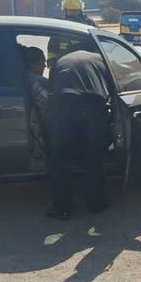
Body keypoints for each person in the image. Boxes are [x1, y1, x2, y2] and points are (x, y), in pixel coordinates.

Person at [45, 49, 113, 220]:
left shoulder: (62, 61)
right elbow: (113, 88)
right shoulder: (101, 60)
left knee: (61, 159)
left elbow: (51, 87)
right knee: (94, 157)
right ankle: (95, 203)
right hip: (93, 105)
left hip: (64, 106)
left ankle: (62, 208)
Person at [47, 0, 97, 67]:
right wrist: (52, 63)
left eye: (75, 11)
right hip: (64, 64)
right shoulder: (60, 26)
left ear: (80, 10)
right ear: (65, 10)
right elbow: (52, 48)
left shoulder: (89, 25)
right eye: (70, 11)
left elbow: (98, 46)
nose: (73, 14)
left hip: (85, 64)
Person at [22, 46, 50, 166]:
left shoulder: (23, 78)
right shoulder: (36, 81)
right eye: (42, 62)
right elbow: (50, 104)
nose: (44, 66)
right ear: (32, 64)